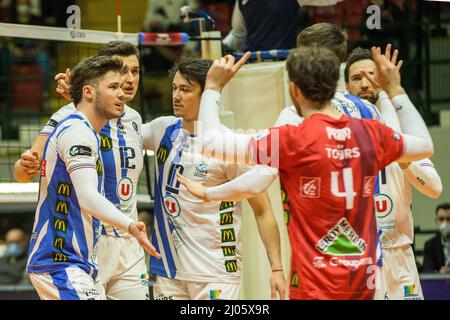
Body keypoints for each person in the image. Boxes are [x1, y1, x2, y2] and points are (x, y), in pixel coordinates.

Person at [178, 45, 434, 299]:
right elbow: (425, 145)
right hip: (363, 286)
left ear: (294, 90)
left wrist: (212, 88)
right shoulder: (369, 134)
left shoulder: (292, 141)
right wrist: (395, 90)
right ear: (336, 84)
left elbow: (211, 142)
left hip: (314, 288)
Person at [14, 41, 152, 300]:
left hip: (120, 244)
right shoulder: (72, 123)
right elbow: (28, 170)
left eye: (135, 71)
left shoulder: (132, 119)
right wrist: (26, 165)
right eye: (117, 78)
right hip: (75, 248)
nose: (127, 81)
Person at [142, 56, 286, 300]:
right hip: (168, 270)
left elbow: (262, 210)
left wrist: (277, 268)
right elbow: (119, 131)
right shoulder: (162, 129)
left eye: (186, 90)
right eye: (174, 88)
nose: (176, 96)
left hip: (215, 271)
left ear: (206, 95)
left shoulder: (228, 146)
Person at [344, 46, 442, 299]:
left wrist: (404, 161)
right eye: (356, 78)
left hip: (399, 256)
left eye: (371, 75)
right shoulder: (339, 135)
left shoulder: (404, 130)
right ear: (346, 87)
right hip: (357, 258)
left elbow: (434, 189)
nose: (365, 83)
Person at [223, 0, 343, 52]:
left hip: (283, 64)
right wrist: (221, 47)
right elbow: (238, 34)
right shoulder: (241, 1)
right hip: (252, 64)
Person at [423, 203, 450, 273]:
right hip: (439, 283)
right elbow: (427, 270)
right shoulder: (430, 245)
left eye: (448, 219)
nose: (445, 223)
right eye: (441, 219)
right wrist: (439, 274)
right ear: (436, 221)